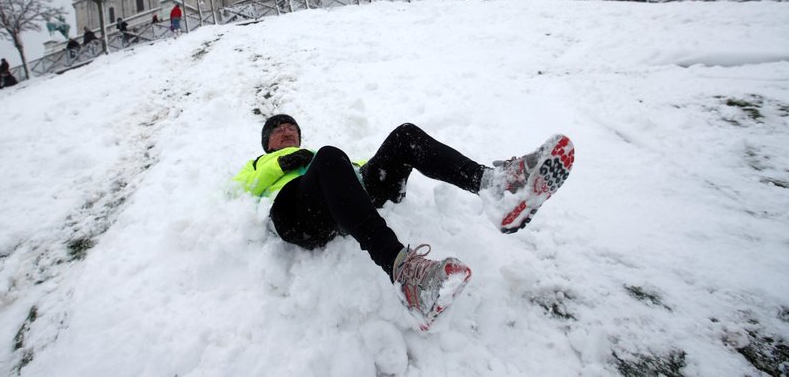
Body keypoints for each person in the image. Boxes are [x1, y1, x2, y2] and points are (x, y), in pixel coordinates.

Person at [234, 115, 575, 330]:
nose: (287, 131)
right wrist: (277, 165)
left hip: (339, 193)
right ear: (267, 143)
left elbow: (353, 171)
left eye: (291, 128)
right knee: (328, 156)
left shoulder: (321, 157)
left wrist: (381, 168)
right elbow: (236, 192)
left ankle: (496, 187)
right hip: (294, 212)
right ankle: (406, 276)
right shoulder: (256, 166)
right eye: (278, 130)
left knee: (404, 136)